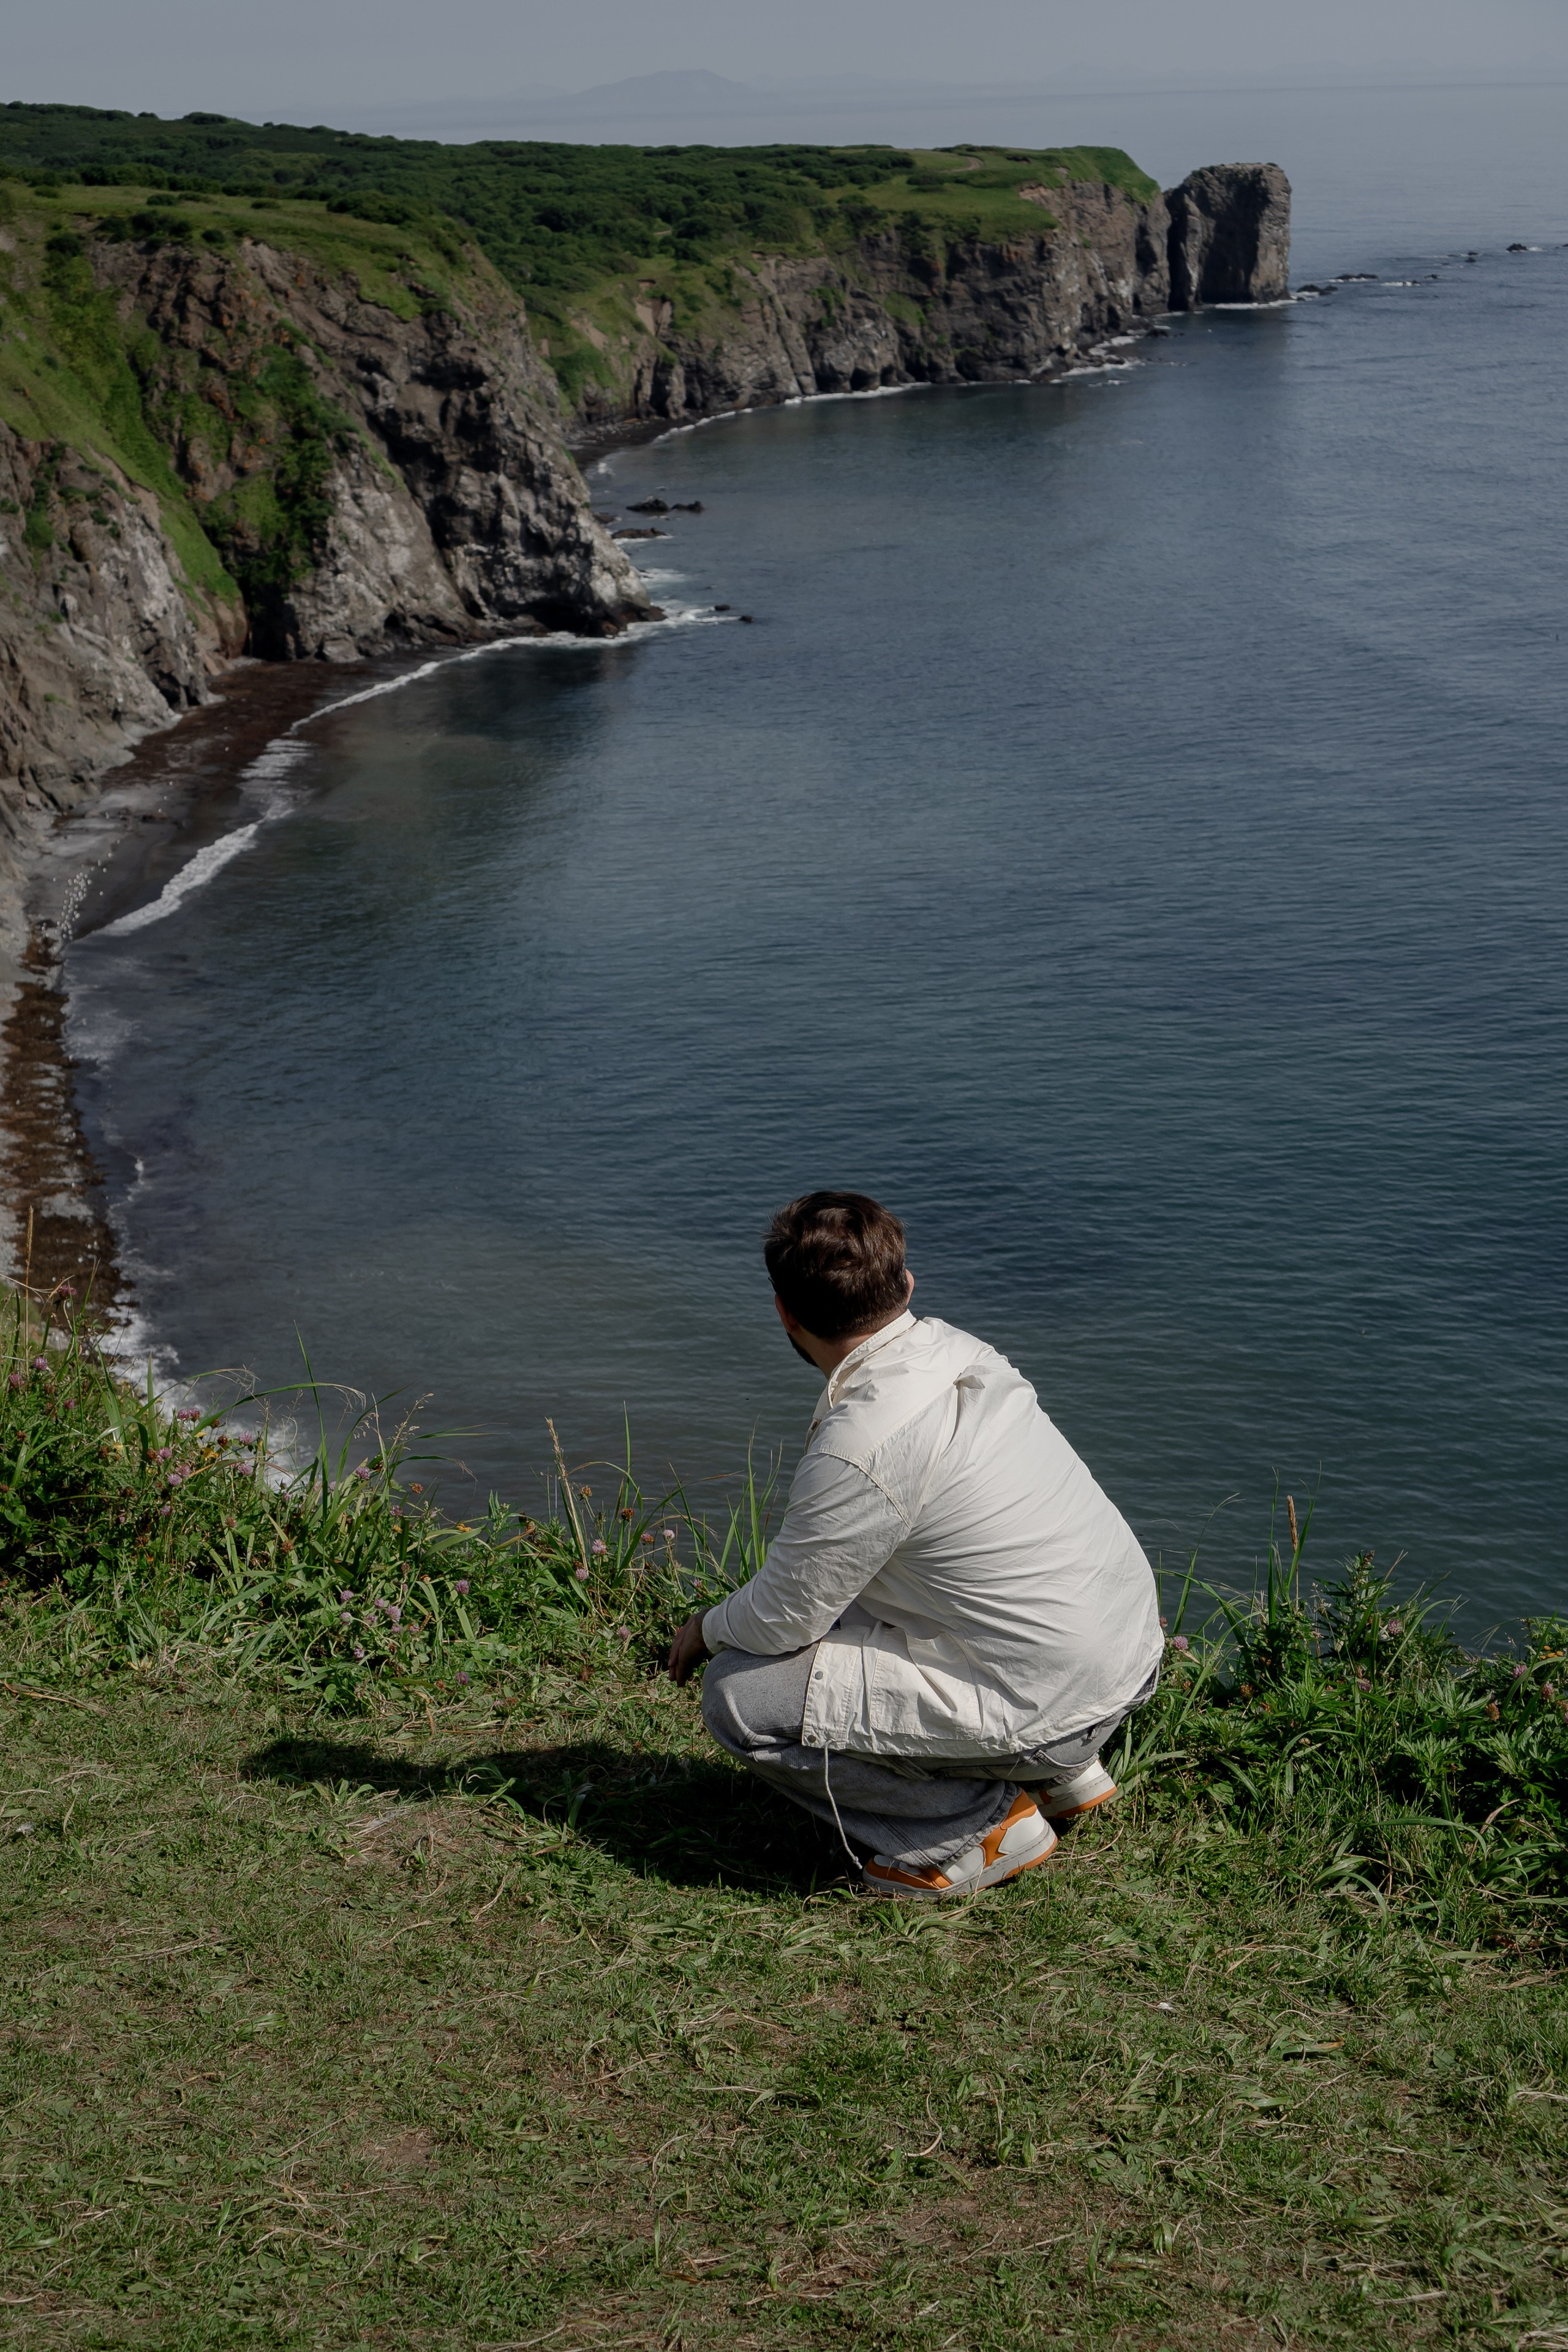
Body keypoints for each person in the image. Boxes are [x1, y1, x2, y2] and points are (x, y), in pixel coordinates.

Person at [666, 1191, 1163, 1901]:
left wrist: (707, 1627)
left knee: (740, 1694)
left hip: (1054, 1704)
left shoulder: (860, 1447)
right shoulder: (963, 1355)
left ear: (784, 1312)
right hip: (1124, 1656)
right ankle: (1061, 1776)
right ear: (904, 1285)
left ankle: (975, 1829)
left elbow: (784, 1619)